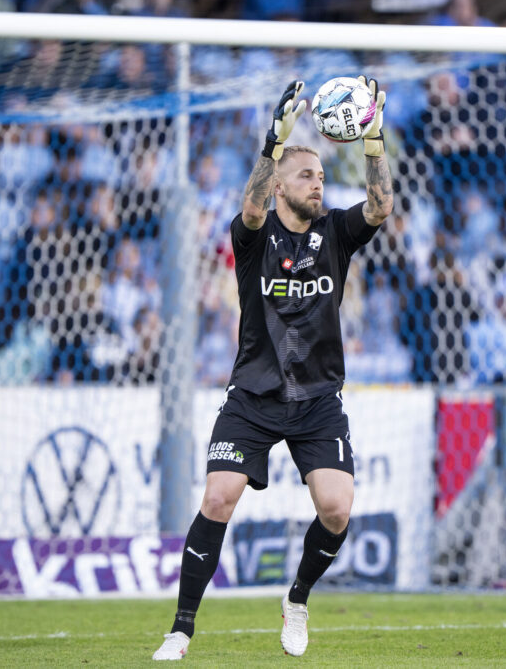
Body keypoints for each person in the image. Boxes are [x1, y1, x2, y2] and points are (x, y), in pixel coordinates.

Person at [152, 77, 392, 661]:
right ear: (282, 183)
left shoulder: (335, 232)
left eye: (321, 177)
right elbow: (251, 207)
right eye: (307, 175)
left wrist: (373, 139)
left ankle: (298, 598)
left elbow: (381, 205)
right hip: (253, 397)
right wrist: (274, 143)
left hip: (316, 401)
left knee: (337, 509)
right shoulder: (253, 239)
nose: (319, 183)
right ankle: (180, 629)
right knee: (218, 499)